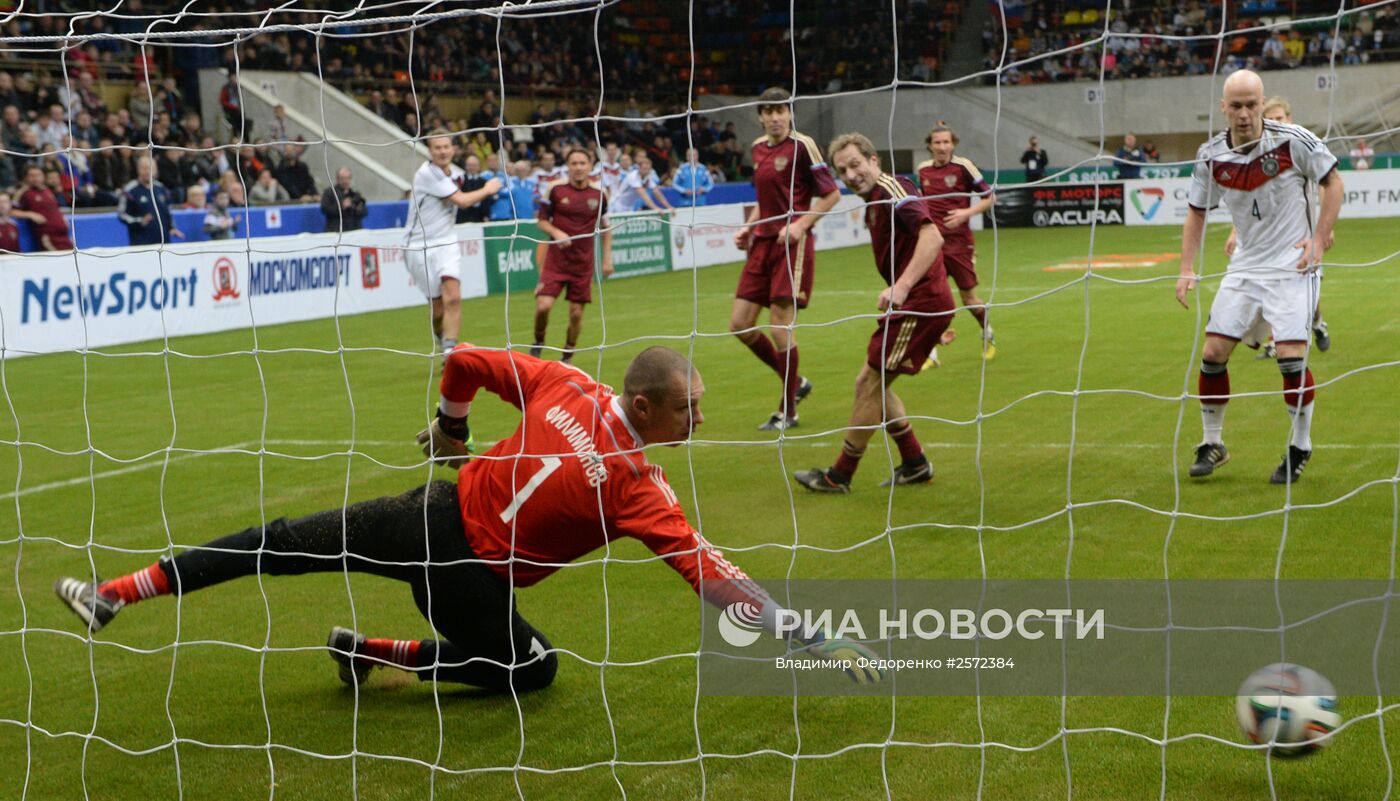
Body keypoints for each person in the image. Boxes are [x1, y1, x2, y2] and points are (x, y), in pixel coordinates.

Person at [53, 345, 881, 692]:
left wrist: (451, 426)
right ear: (644, 402)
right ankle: (377, 651)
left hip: (422, 512)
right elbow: (712, 574)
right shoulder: (639, 489)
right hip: (468, 578)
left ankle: (117, 590)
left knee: (279, 542)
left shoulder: (568, 384)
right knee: (535, 671)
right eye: (688, 407)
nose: (699, 419)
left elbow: (462, 363)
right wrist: (808, 635)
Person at [1175, 70, 1342, 485]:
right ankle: (1213, 442)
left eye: (1252, 104)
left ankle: (1300, 446)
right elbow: (1196, 210)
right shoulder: (1211, 155)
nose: (1245, 113)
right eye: (1237, 106)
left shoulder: (1293, 140)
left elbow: (1333, 183)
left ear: (1262, 103)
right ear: (1223, 108)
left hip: (1293, 266)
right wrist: (1185, 268)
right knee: (1213, 353)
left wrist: (1319, 240)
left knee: (1289, 360)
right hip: (1246, 267)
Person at [793, 133, 952, 493]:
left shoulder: (892, 188)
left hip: (919, 302)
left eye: (855, 164)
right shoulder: (875, 202)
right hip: (921, 304)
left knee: (869, 384)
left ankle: (840, 475)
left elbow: (933, 237)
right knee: (872, 384)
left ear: (874, 160)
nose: (850, 175)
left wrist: (904, 286)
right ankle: (915, 463)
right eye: (842, 170)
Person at [731, 87, 841, 431]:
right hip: (762, 243)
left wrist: (801, 225)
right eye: (768, 111)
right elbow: (765, 199)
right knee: (740, 325)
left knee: (780, 324)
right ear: (760, 115)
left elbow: (832, 194)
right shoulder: (757, 148)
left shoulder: (803, 146)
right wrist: (748, 228)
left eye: (781, 110)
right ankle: (797, 381)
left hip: (791, 245)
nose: (775, 117)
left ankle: (788, 410)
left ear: (790, 113)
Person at [1224, 96, 1331, 357]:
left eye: (1280, 118)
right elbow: (1249, 203)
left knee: (1308, 297)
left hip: (1301, 240)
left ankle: (1317, 323)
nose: (1274, 123)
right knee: (1271, 291)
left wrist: (1324, 230)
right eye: (1270, 119)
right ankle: (1277, 342)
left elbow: (1327, 184)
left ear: (1289, 119)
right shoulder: (1256, 156)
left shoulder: (1299, 147)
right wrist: (1234, 231)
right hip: (1268, 245)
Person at [403, 129, 502, 358]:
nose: (443, 151)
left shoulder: (453, 174)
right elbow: (463, 201)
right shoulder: (427, 174)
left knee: (453, 296)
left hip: (447, 241)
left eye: (446, 147)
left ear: (453, 149)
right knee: (438, 309)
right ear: (430, 150)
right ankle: (441, 338)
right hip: (419, 246)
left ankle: (451, 351)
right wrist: (488, 188)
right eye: (437, 148)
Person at [917, 122, 997, 365]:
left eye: (946, 142)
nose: (942, 147)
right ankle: (930, 352)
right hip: (932, 243)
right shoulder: (922, 169)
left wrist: (966, 214)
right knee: (929, 297)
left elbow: (990, 197)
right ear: (930, 146)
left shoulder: (964, 166)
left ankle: (987, 334)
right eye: (937, 143)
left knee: (969, 299)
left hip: (959, 244)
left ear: (953, 144)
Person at [529, 148, 614, 364]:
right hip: (556, 262)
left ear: (590, 165)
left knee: (576, 313)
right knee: (543, 306)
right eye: (573, 163)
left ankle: (567, 354)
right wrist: (556, 232)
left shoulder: (599, 194)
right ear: (567, 166)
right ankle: (538, 342)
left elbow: (606, 228)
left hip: (582, 264)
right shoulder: (555, 189)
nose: (578, 167)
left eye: (582, 163)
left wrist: (607, 259)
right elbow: (541, 221)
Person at [118, 155, 182, 246]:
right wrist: (140, 221)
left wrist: (172, 227)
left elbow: (168, 211)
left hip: (164, 244)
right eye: (144, 168)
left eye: (151, 168)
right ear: (138, 169)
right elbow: (122, 214)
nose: (148, 172)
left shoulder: (162, 189)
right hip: (141, 244)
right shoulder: (129, 191)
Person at [13, 165, 74, 251]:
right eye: (32, 176)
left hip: (64, 236)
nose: (36, 178)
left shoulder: (47, 191)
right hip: (48, 239)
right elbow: (11, 211)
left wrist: (61, 217)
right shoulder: (24, 193)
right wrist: (30, 214)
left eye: (38, 175)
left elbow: (53, 208)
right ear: (26, 178)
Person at [320, 166, 368, 232]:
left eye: (347, 178)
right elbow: (324, 209)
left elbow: (364, 212)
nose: (345, 181)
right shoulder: (330, 192)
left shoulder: (355, 194)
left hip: (354, 231)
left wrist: (358, 208)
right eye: (342, 179)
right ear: (337, 179)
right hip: (336, 230)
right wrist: (342, 206)